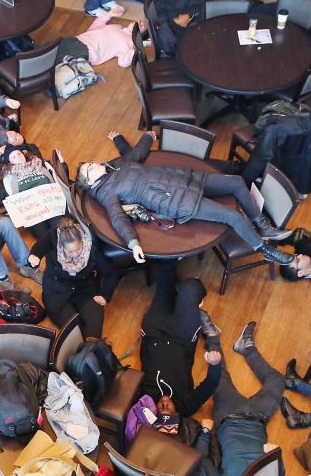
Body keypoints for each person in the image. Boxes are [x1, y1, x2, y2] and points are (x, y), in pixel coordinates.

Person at [77, 132, 293, 266]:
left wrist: (148, 137)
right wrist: (133, 243)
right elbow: (117, 218)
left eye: (90, 162)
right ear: (89, 182)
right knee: (232, 216)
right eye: (89, 168)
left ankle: (261, 223)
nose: (94, 163)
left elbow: (137, 153)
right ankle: (266, 251)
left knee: (236, 182)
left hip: (185, 178)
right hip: (177, 201)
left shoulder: (116, 166)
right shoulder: (106, 193)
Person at [194, 323, 283, 476]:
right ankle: (246, 346)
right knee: (278, 380)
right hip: (259, 416)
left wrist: (205, 432)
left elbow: (200, 459)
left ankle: (212, 337)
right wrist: (275, 458)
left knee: (219, 374)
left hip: (229, 414)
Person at [139, 260, 222, 417]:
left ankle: (177, 292)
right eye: (168, 413)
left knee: (164, 281)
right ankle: (188, 299)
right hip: (181, 339)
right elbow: (211, 384)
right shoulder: (187, 407)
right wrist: (215, 364)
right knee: (191, 286)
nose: (164, 406)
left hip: (153, 333)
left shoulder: (144, 402)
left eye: (160, 411)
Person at [27, 216, 117, 339]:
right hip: (56, 293)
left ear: (82, 241)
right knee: (75, 330)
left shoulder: (91, 249)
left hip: (85, 292)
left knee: (94, 330)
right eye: (70, 252)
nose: (75, 255)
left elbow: (110, 273)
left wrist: (105, 295)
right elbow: (40, 246)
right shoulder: (53, 239)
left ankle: (92, 352)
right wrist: (34, 256)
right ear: (61, 245)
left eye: (78, 249)